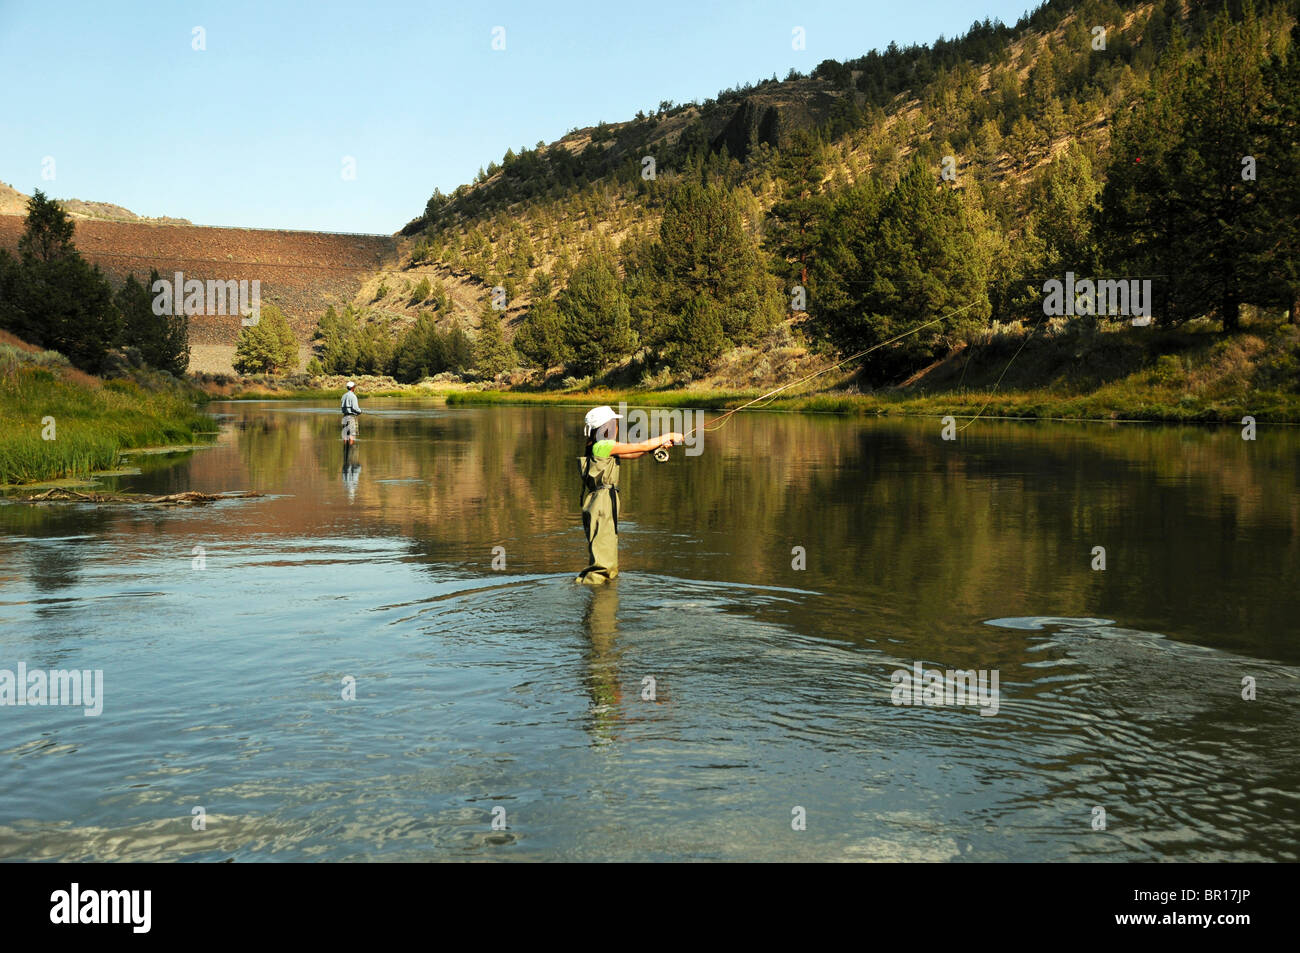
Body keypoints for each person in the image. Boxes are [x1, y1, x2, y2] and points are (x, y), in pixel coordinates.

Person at [575, 405, 682, 585]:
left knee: (605, 551)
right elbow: (638, 445)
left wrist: (655, 448)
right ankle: (596, 592)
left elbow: (635, 453)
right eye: (615, 423)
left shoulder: (601, 446)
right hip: (602, 502)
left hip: (603, 501)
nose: (617, 427)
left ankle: (597, 589)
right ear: (607, 427)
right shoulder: (603, 445)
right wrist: (668, 436)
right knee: (603, 560)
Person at [340, 381, 361, 446]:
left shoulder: (343, 396)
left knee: (345, 434)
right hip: (351, 417)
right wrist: (360, 411)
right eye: (354, 386)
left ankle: (345, 449)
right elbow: (355, 408)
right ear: (353, 388)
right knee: (352, 434)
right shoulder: (353, 396)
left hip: (344, 416)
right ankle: (351, 450)